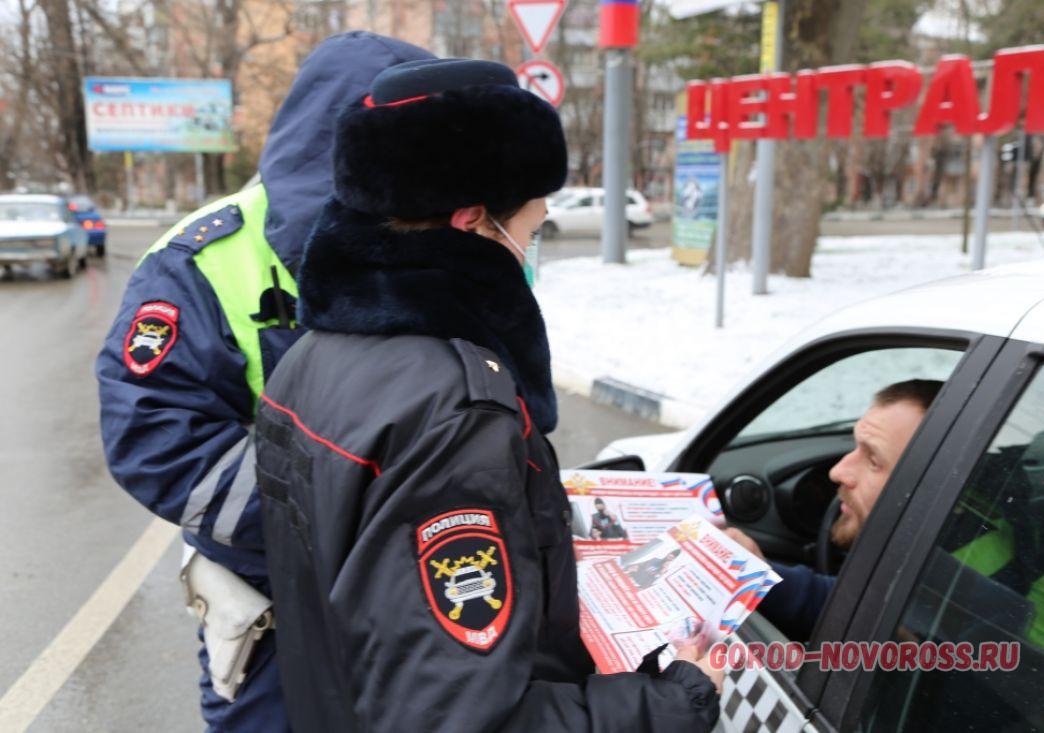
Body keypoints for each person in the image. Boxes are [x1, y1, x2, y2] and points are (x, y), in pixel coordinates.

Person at [253, 58, 722, 732]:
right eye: (529, 232)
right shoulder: (458, 411)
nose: (528, 254)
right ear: (473, 223)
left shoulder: (313, 355)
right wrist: (675, 700)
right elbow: (460, 719)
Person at [95, 32, 433, 731]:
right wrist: (344, 517)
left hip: (422, 596)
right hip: (274, 603)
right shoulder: (196, 262)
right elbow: (155, 439)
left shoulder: (437, 236)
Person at [725, 379, 943, 641]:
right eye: (855, 447)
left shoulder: (949, 594)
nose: (837, 471)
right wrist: (759, 576)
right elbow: (854, 605)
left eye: (873, 460)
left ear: (937, 489)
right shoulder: (918, 562)